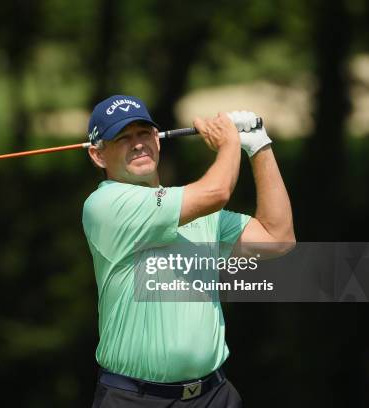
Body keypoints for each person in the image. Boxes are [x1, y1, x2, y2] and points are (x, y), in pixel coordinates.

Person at [82, 95, 295, 407]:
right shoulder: (104, 206)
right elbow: (217, 191)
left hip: (213, 395)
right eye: (123, 138)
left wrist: (259, 147)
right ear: (98, 155)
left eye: (144, 133)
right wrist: (229, 142)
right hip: (134, 399)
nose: (138, 144)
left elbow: (278, 237)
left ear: (158, 139)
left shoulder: (199, 213)